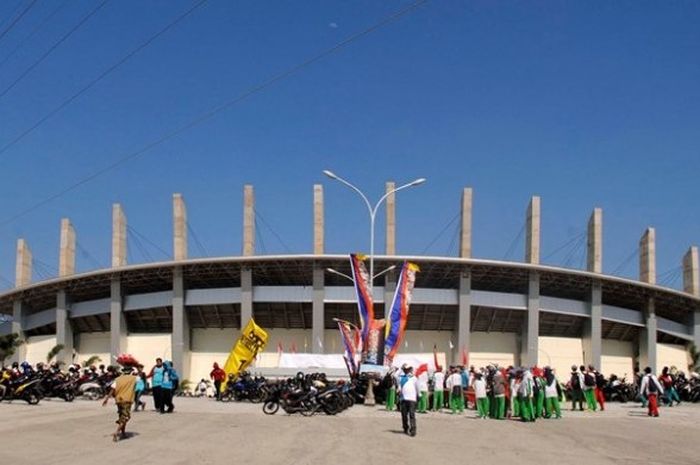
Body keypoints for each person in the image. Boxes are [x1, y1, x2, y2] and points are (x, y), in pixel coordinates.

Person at [103, 363, 138, 442]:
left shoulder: (117, 379)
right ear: (131, 371)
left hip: (119, 400)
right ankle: (117, 432)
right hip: (127, 400)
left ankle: (123, 433)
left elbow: (112, 390)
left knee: (122, 416)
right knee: (125, 417)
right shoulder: (133, 378)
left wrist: (106, 399)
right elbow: (140, 377)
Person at [398, 365, 418, 437]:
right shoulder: (401, 378)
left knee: (412, 415)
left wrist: (418, 396)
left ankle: (413, 430)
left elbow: (417, 388)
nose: (406, 370)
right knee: (404, 415)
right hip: (403, 398)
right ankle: (405, 427)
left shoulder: (414, 378)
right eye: (405, 369)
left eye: (408, 369)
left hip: (412, 399)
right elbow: (399, 386)